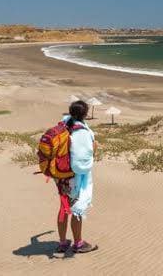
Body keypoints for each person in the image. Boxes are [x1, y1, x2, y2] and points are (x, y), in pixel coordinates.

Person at [56, 100, 98, 254]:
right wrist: (93, 152)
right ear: (85, 114)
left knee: (63, 207)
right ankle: (78, 243)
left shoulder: (64, 124)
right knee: (76, 208)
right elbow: (82, 162)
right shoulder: (83, 132)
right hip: (73, 176)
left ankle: (62, 243)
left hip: (60, 175)